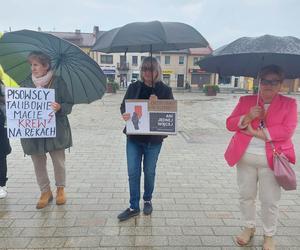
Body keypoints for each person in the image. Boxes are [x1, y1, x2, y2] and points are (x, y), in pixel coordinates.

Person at [224, 65, 298, 250]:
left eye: (274, 82)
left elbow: (286, 130)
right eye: (265, 81)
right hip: (245, 159)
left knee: (269, 200)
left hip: (272, 161)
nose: (269, 85)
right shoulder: (246, 100)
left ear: (281, 84)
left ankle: (269, 234)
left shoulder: (289, 104)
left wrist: (256, 133)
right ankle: (249, 227)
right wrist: (248, 115)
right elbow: (230, 124)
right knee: (246, 196)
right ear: (259, 82)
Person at [118, 57, 174, 221]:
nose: (147, 73)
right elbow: (124, 106)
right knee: (133, 172)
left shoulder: (164, 90)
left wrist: (158, 104)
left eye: (151, 69)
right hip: (134, 138)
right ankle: (134, 206)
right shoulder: (134, 87)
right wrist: (125, 114)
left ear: (157, 71)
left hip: (153, 141)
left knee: (149, 172)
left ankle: (147, 199)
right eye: (144, 69)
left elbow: (170, 113)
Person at [20, 51, 73, 209]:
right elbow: (20, 104)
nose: (33, 68)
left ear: (46, 66)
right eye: (31, 65)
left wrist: (60, 107)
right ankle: (45, 192)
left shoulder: (58, 82)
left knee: (58, 161)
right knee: (38, 162)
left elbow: (69, 104)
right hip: (33, 131)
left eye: (36, 65)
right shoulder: (26, 83)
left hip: (55, 130)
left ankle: (60, 189)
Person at [0, 80, 11, 198]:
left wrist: (1, 99)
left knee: (1, 155)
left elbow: (13, 102)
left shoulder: (2, 88)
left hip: (1, 125)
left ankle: (1, 184)